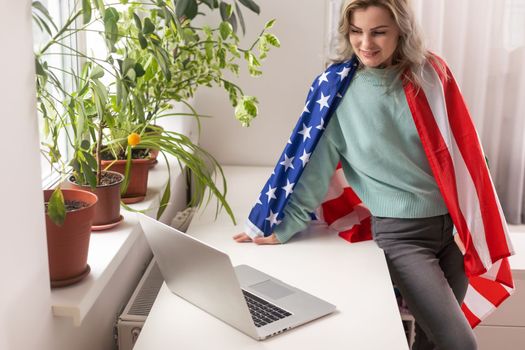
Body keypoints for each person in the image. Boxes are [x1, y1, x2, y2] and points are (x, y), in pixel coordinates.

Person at [233, 0, 513, 349]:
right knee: (460, 343)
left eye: (379, 32)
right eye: (356, 31)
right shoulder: (336, 90)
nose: (366, 43)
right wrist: (280, 226)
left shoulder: (431, 74)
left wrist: (470, 221)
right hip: (402, 237)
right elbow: (315, 167)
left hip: (454, 229)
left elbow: (465, 148)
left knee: (430, 340)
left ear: (401, 32)